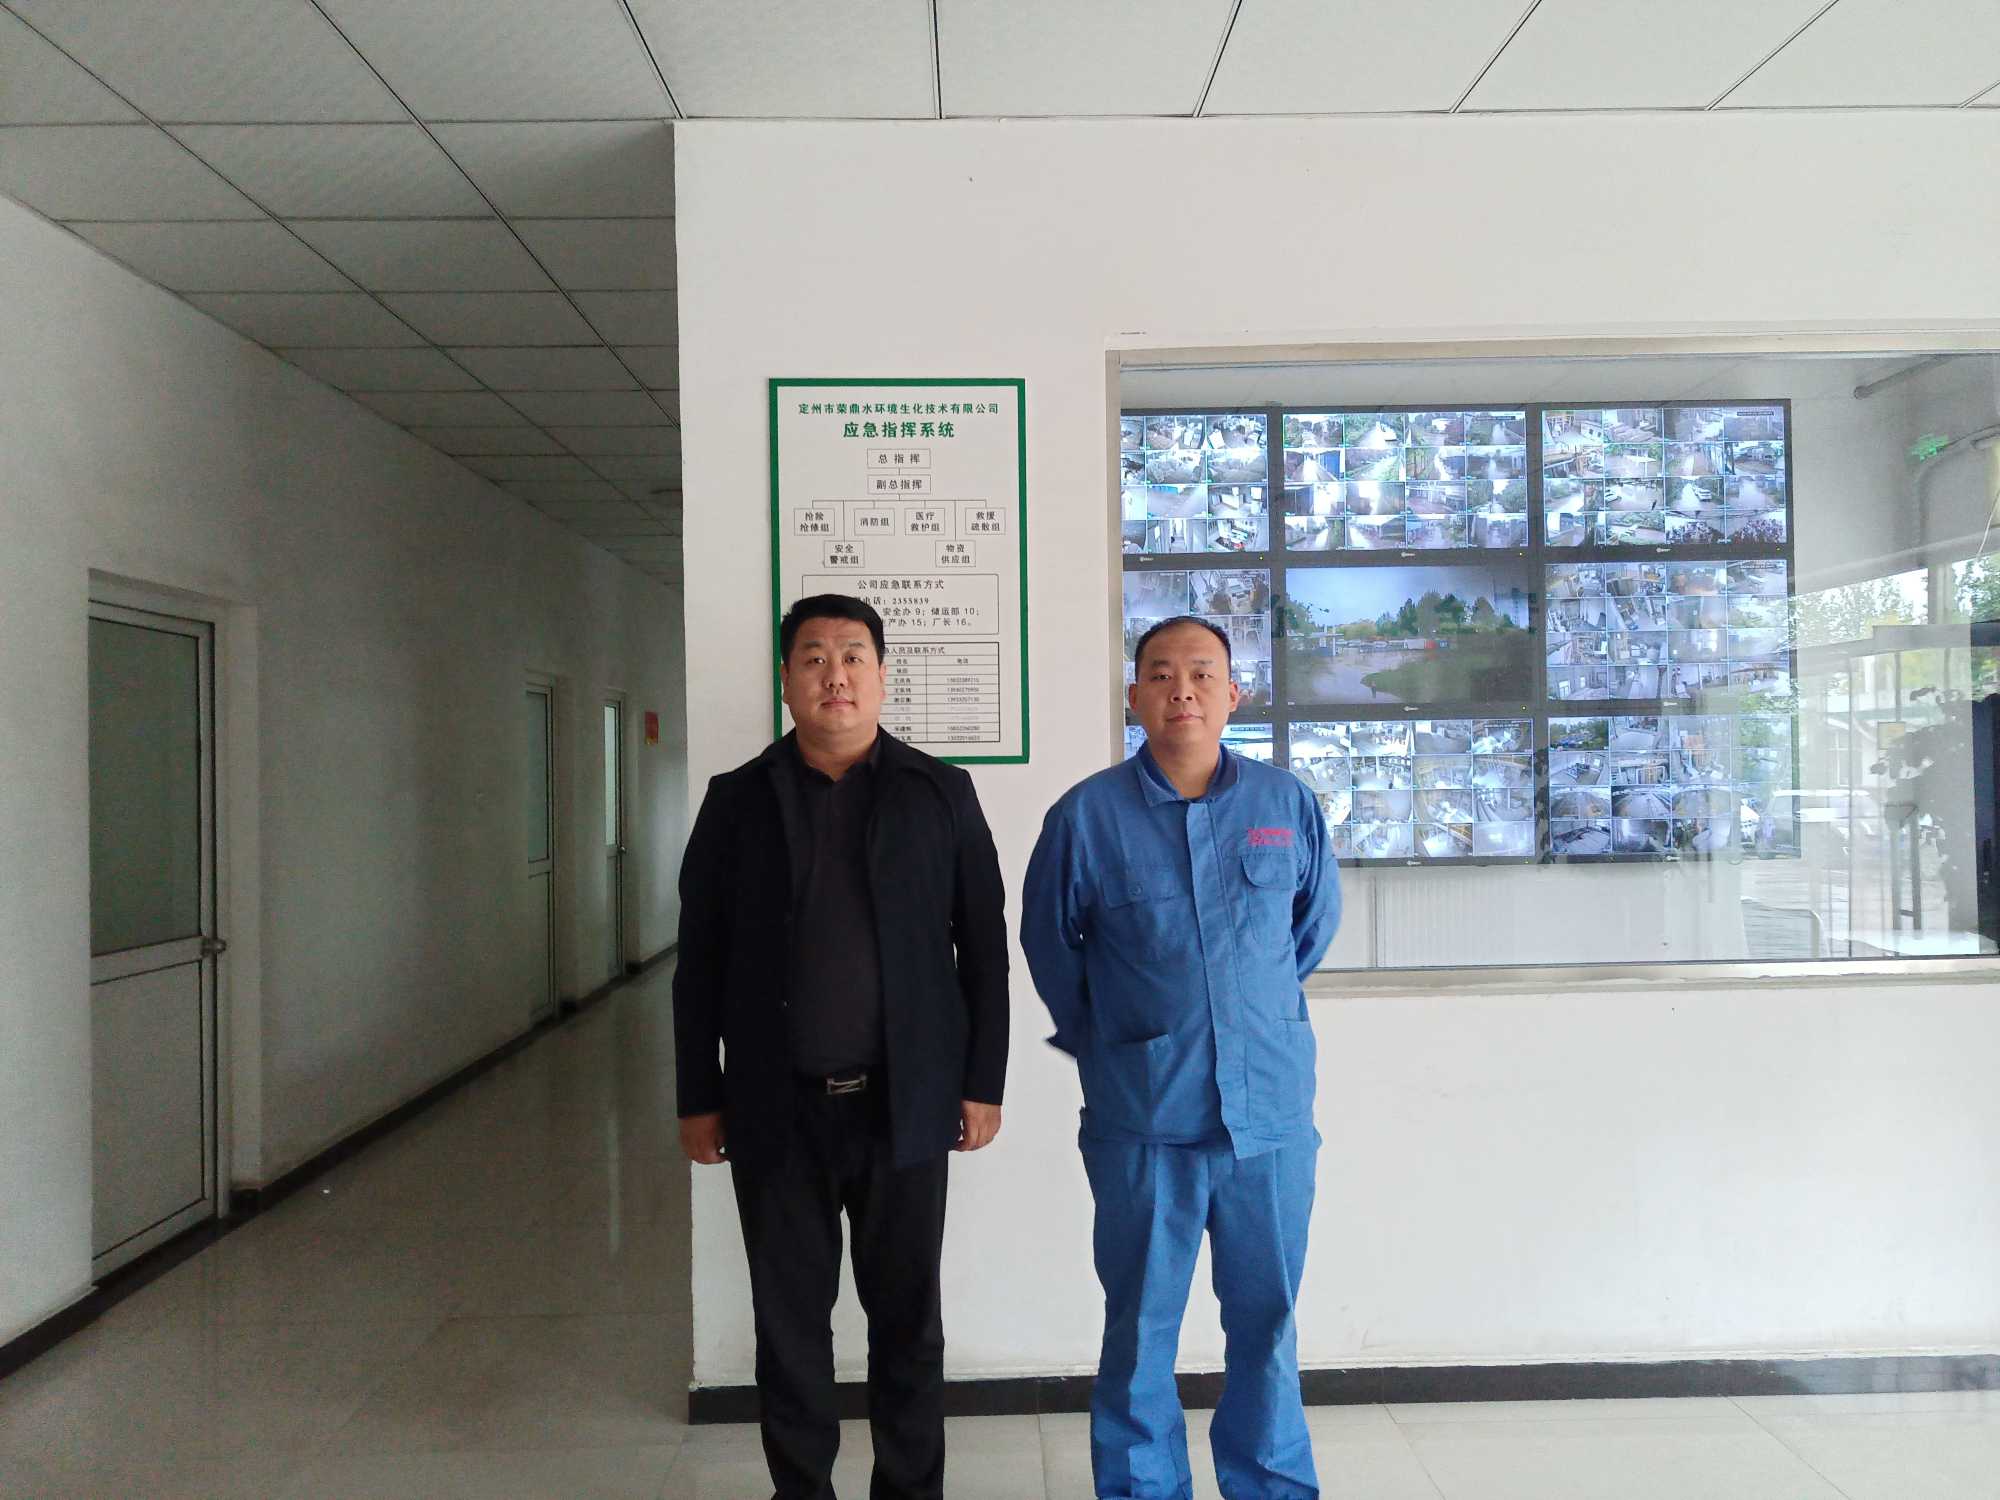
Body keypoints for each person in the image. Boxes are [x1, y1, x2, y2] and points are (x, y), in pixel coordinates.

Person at [675, 593, 1009, 1500]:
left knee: (908, 1325)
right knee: (789, 1331)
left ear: (883, 676)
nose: (836, 674)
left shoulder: (940, 792)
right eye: (814, 657)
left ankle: (910, 1489)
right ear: (787, 679)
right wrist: (698, 1094)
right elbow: (697, 961)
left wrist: (982, 1081)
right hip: (773, 1107)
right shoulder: (736, 801)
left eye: (854, 655)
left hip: (908, 1104)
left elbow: (983, 948)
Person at [1023, 615, 1340, 1500]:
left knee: (1268, 1324)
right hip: (1144, 1120)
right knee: (1139, 1331)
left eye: (1202, 673)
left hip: (1268, 1120)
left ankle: (1270, 1485)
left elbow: (1309, 932)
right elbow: (1051, 947)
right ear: (1135, 696)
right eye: (1161, 674)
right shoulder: (1087, 817)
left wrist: (1243, 1015)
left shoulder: (1284, 805)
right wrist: (1127, 1040)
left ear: (1234, 693)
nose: (1182, 691)